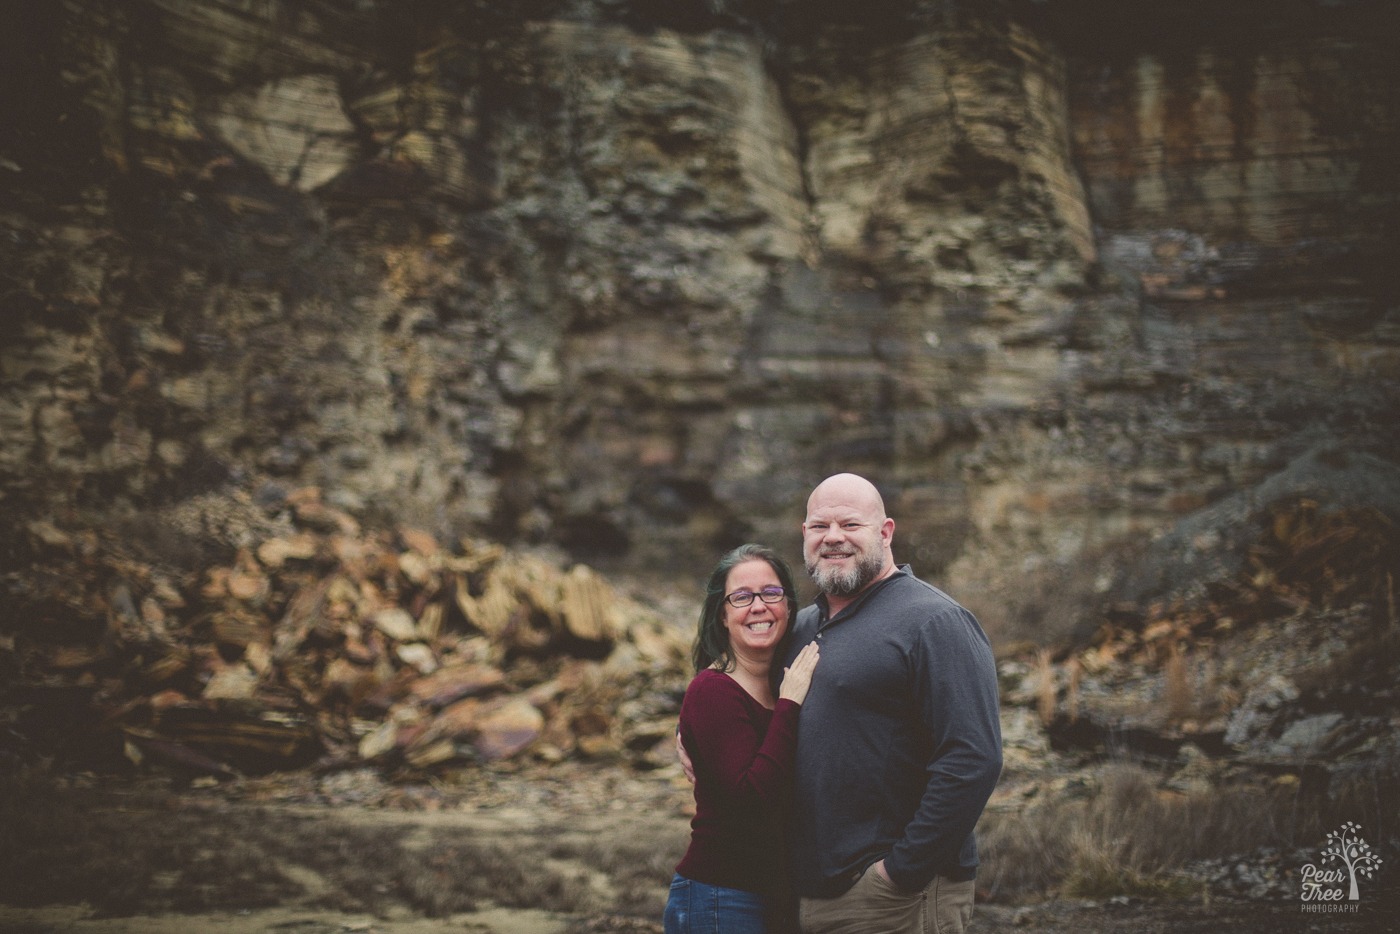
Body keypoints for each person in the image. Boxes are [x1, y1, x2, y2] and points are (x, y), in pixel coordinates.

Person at [679, 474, 1002, 934]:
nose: (833, 537)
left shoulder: (935, 622)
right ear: (804, 536)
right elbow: (740, 688)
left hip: (893, 900)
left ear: (885, 532)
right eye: (819, 526)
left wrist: (900, 874)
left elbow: (973, 759)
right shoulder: (801, 627)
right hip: (801, 897)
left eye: (850, 524)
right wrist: (692, 734)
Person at [665, 543, 822, 934]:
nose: (758, 606)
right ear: (722, 612)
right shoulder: (714, 690)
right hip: (721, 895)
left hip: (772, 895)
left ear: (788, 605)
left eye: (771, 593)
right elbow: (753, 799)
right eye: (741, 597)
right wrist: (789, 703)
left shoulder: (782, 681)